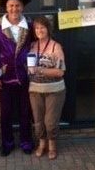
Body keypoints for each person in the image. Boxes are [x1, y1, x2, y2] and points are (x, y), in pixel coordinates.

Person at [0, 0, 34, 156]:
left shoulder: (30, 25)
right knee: (6, 113)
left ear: (22, 7)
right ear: (6, 8)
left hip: (24, 76)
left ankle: (26, 142)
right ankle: (7, 144)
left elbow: (35, 48)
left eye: (17, 5)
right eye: (11, 5)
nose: (14, 8)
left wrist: (33, 67)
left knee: (25, 112)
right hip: (5, 76)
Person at [27, 16, 66, 160]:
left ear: (48, 29)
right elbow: (28, 67)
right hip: (35, 90)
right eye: (36, 28)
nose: (39, 30)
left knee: (50, 122)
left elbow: (60, 71)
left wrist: (39, 70)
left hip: (54, 90)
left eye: (42, 27)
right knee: (38, 121)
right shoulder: (31, 46)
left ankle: (52, 146)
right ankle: (42, 144)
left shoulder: (56, 46)